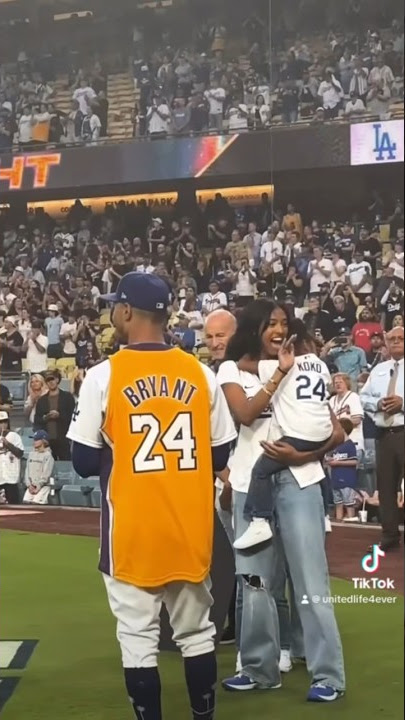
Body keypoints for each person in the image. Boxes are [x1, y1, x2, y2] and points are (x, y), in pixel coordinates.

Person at [67, 272, 237, 720]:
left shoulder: (105, 375)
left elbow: (83, 460)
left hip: (133, 529)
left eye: (113, 307)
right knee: (197, 634)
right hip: (189, 526)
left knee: (138, 639)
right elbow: (221, 450)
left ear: (125, 311)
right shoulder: (201, 373)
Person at [217, 299, 345, 701]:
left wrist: (302, 454)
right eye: (270, 323)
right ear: (254, 328)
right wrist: (279, 376)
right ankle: (258, 669)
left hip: (299, 479)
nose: (278, 329)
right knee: (254, 583)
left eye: (283, 323)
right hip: (247, 484)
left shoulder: (302, 365)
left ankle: (328, 677)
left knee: (310, 581)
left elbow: (336, 432)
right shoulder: (232, 368)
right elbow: (245, 415)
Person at [234, 323, 333, 550]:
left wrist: (279, 359)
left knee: (260, 469)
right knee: (318, 463)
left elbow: (244, 364)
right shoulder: (322, 365)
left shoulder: (287, 365)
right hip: (323, 431)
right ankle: (325, 515)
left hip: (300, 433)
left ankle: (259, 520)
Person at [360, 327, 404, 552]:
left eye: (400, 339)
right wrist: (377, 404)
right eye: (392, 339)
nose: (396, 342)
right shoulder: (378, 369)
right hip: (384, 434)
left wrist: (402, 404)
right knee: (385, 487)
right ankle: (389, 536)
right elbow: (363, 397)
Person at [34, 370, 76, 460]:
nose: (51, 382)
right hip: (47, 441)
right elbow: (37, 419)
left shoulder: (67, 397)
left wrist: (59, 415)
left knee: (65, 467)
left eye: (52, 379)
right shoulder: (41, 401)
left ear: (57, 379)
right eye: (48, 380)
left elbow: (73, 417)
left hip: (64, 440)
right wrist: (45, 417)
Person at [327, 418, 359, 522]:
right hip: (336, 480)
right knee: (338, 503)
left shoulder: (350, 445)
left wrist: (338, 463)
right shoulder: (336, 446)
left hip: (347, 481)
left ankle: (351, 522)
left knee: (349, 504)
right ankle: (338, 523)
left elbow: (354, 462)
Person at [329, 374, 364, 461]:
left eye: (340, 382)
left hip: (353, 442)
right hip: (337, 445)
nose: (338, 384)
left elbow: (357, 419)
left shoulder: (353, 397)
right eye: (335, 383)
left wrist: (338, 424)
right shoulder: (332, 400)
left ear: (347, 383)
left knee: (352, 472)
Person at [23, 430, 54, 505]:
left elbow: (46, 474)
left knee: (36, 504)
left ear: (43, 441)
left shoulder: (48, 456)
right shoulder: (31, 454)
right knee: (25, 503)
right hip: (30, 486)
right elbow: (27, 471)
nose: (34, 441)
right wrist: (28, 485)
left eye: (36, 440)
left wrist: (38, 486)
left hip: (43, 487)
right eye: (34, 439)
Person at [0, 411, 24, 505]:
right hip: (0, 476)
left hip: (11, 477)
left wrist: (8, 445)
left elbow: (20, 453)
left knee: (13, 505)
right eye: (0, 422)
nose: (3, 425)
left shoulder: (14, 436)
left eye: (4, 422)